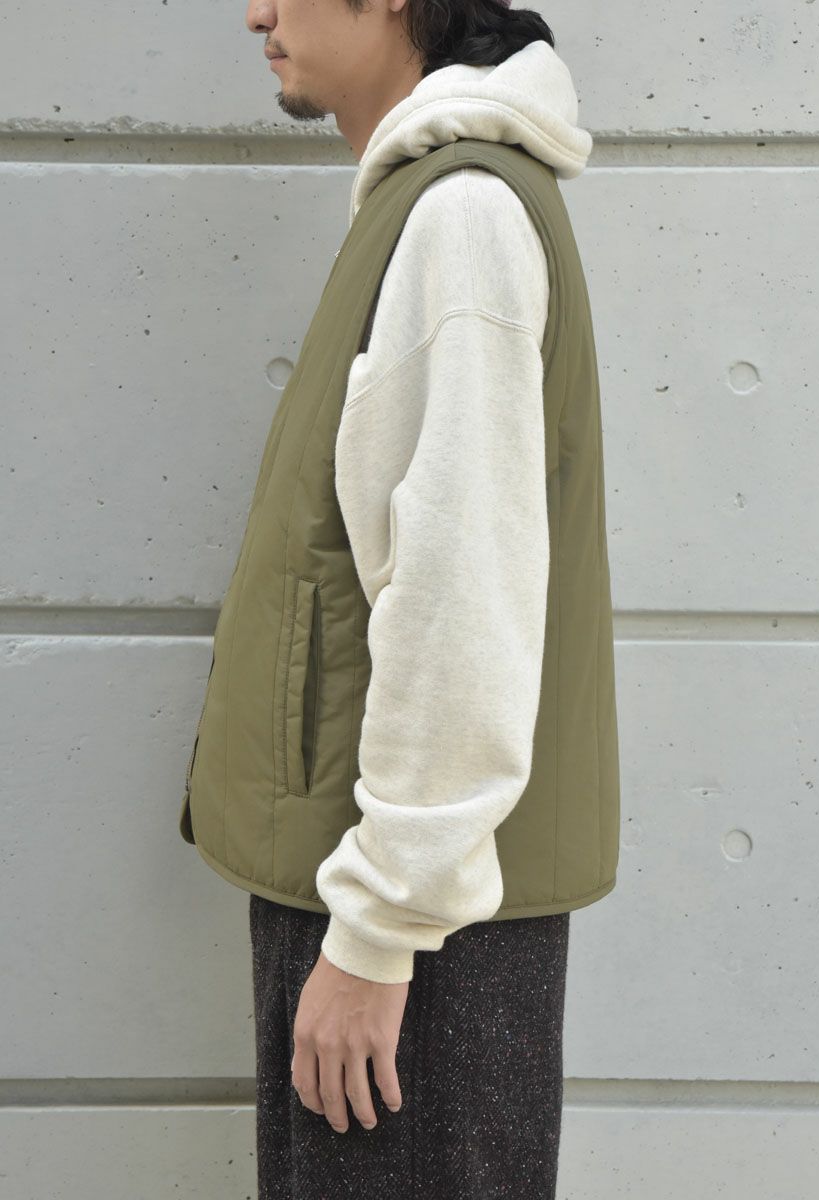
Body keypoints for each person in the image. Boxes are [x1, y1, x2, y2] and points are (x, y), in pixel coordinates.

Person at [181, 1, 620, 1195]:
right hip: (399, 896)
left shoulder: (462, 216)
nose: (256, 12)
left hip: (416, 928)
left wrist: (377, 935)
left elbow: (462, 598)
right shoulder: (432, 200)